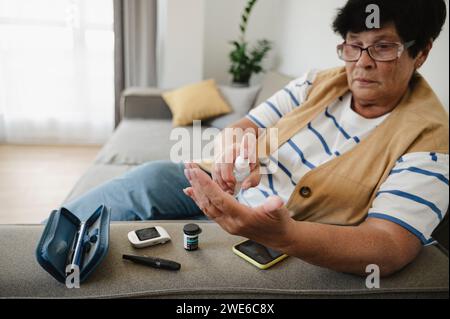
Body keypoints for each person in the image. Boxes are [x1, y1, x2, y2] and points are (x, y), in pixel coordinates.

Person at [65, 0, 448, 276]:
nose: (361, 61)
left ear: (421, 53)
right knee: (147, 178)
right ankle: (55, 238)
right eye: (353, 44)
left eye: (382, 46)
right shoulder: (318, 81)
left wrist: (289, 236)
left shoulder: (431, 138)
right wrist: (233, 149)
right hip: (226, 189)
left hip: (275, 234)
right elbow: (245, 125)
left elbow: (390, 244)